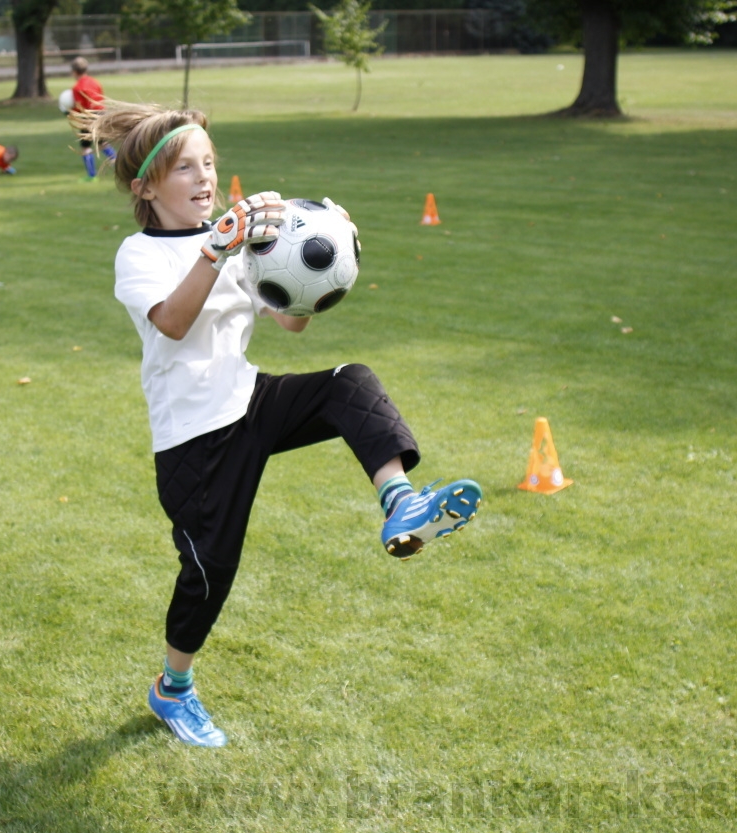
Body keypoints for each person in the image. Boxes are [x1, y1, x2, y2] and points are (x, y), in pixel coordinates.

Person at [77, 100, 483, 748]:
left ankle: (400, 500)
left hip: (248, 400)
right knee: (209, 572)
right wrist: (219, 246)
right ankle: (171, 687)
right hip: (192, 438)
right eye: (186, 168)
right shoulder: (139, 254)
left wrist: (318, 251)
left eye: (209, 163)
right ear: (145, 186)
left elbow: (290, 319)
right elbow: (173, 321)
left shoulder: (234, 244)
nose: (205, 178)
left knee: (350, 383)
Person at [66, 56, 116, 181]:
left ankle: (91, 175)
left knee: (85, 146)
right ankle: (123, 168)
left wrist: (70, 112)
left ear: (74, 71)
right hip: (101, 114)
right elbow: (100, 98)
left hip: (88, 116)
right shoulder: (95, 82)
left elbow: (80, 107)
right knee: (103, 144)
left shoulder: (77, 87)